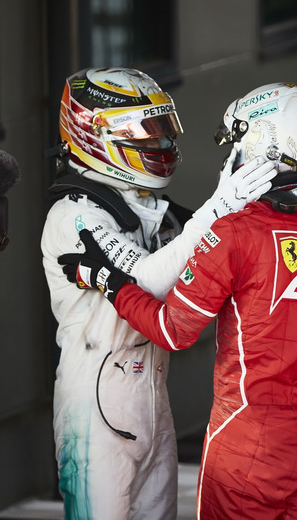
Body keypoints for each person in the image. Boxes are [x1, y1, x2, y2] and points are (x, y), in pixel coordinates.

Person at [59, 82, 297, 519]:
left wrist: (106, 280)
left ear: (264, 147)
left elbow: (172, 330)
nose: (231, 155)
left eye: (238, 142)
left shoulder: (236, 233)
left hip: (249, 445)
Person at [41, 67, 276, 520]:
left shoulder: (153, 210)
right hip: (94, 407)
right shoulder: (74, 216)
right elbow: (146, 281)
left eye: (165, 134)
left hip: (153, 403)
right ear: (98, 135)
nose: (162, 147)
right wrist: (216, 209)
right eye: (148, 136)